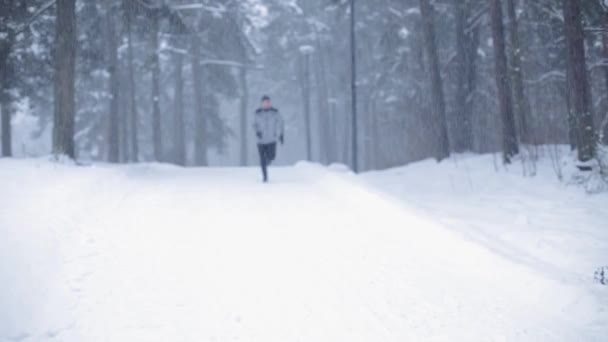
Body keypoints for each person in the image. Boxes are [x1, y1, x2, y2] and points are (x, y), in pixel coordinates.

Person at [254, 95, 284, 183]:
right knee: (262, 159)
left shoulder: (275, 113)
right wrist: (257, 132)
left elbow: (281, 123)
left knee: (271, 156)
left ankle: (267, 162)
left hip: (271, 140)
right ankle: (265, 176)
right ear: (261, 103)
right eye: (264, 102)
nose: (266, 104)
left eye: (268, 102)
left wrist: (281, 135)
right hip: (261, 141)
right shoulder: (257, 113)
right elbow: (253, 124)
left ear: (270, 103)